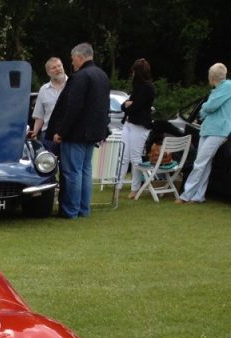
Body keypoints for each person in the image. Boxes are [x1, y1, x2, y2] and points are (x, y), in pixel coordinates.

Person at [52, 43, 111, 218]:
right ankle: (84, 209)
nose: (72, 63)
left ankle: (71, 210)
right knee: (85, 170)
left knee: (72, 172)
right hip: (93, 132)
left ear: (79, 57)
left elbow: (73, 107)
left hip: (76, 133)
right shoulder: (102, 75)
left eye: (72, 60)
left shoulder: (80, 77)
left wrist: (61, 131)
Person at [178, 63, 231, 204]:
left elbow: (210, 106)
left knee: (200, 163)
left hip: (219, 130)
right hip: (208, 129)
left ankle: (186, 194)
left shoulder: (227, 87)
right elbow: (205, 109)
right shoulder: (217, 90)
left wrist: (206, 108)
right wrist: (206, 108)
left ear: (212, 77)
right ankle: (198, 196)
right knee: (205, 163)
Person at [118, 58, 156, 199]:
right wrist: (127, 105)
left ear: (137, 72)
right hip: (128, 124)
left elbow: (135, 107)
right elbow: (124, 105)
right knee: (123, 156)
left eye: (133, 71)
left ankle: (135, 188)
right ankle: (119, 184)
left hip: (139, 126)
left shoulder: (148, 88)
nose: (132, 74)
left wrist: (129, 105)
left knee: (135, 157)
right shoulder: (138, 87)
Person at [30, 57, 67, 154]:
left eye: (59, 66)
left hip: (68, 134)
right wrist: (34, 133)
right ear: (48, 72)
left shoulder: (73, 84)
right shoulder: (43, 90)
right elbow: (39, 115)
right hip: (48, 135)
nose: (58, 69)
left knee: (69, 167)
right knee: (47, 167)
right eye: (53, 68)